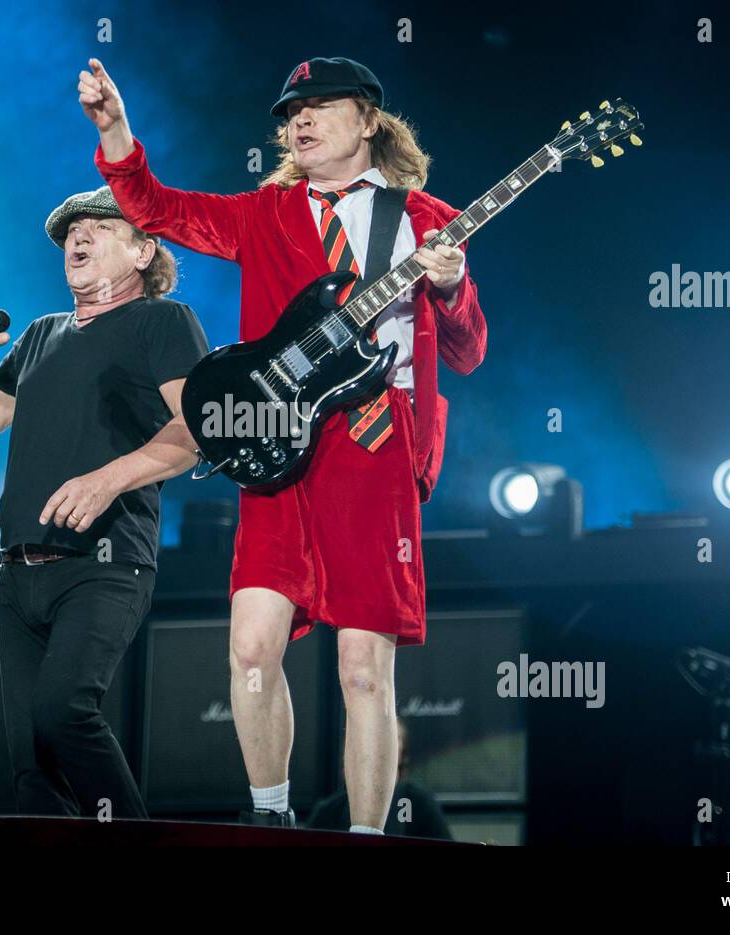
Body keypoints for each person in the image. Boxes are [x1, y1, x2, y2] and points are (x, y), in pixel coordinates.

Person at [80, 56, 488, 833]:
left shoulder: (427, 217)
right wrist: (114, 130)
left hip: (373, 441)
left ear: (369, 118)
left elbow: (467, 351)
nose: (298, 120)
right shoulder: (264, 214)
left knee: (363, 666)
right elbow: (157, 208)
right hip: (274, 435)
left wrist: (448, 285)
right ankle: (272, 820)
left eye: (319, 106)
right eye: (290, 111)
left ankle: (366, 835)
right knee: (250, 646)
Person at [0, 186, 209, 818]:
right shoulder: (40, 334)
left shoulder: (162, 321)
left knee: (62, 713)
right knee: (30, 762)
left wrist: (107, 479)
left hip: (105, 562)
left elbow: (198, 431)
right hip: (19, 573)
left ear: (144, 250)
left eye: (98, 227)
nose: (78, 239)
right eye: (70, 232)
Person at [306, 720, 453, 839]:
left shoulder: (417, 803)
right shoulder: (327, 811)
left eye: (386, 737)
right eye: (366, 737)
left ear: (399, 752)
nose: (374, 746)